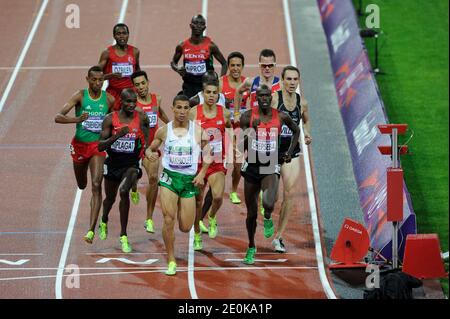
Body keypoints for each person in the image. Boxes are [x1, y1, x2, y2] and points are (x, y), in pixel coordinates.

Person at [144, 94, 212, 275]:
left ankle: (184, 233)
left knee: (185, 227)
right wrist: (150, 154)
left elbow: (209, 153)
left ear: (189, 110)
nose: (182, 112)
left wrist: (203, 173)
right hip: (169, 179)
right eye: (179, 108)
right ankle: (171, 260)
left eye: (185, 108)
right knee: (168, 219)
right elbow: (151, 148)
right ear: (173, 109)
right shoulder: (164, 131)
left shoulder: (198, 132)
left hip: (189, 181)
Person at [239, 84, 299, 264]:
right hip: (252, 166)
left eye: (267, 96)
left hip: (269, 165)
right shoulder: (248, 116)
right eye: (261, 96)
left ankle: (267, 217)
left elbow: (296, 131)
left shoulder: (281, 116)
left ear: (271, 97)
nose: (264, 99)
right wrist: (252, 132)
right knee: (250, 214)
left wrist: (289, 151)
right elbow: (241, 146)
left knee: (268, 202)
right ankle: (251, 246)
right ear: (256, 98)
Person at [55, 66, 114, 244]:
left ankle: (90, 230)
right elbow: (58, 117)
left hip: (97, 147)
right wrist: (77, 119)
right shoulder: (80, 96)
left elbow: (114, 121)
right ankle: (82, 180)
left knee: (96, 184)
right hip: (80, 146)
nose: (97, 83)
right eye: (94, 80)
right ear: (87, 79)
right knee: (82, 184)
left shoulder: (109, 99)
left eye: (100, 80)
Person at [97, 89, 149, 253]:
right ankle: (104, 220)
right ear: (121, 101)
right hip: (113, 163)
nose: (132, 105)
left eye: (134, 101)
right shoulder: (109, 119)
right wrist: (117, 136)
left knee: (123, 191)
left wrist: (145, 146)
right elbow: (100, 145)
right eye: (128, 101)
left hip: (131, 163)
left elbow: (147, 127)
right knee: (109, 199)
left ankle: (123, 235)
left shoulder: (140, 117)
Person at [270, 66, 312, 253]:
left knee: (290, 193)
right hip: (271, 152)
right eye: (289, 79)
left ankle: (279, 237)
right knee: (271, 197)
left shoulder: (302, 102)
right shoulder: (274, 99)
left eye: (295, 79)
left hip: (291, 152)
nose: (292, 83)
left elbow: (306, 119)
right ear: (282, 80)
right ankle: (267, 213)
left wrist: (307, 133)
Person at [188, 80, 232, 251]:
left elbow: (230, 129)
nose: (211, 96)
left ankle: (212, 216)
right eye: (208, 92)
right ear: (203, 93)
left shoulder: (225, 113)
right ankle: (197, 234)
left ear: (219, 94)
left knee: (218, 196)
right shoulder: (193, 113)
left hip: (217, 163)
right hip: (197, 163)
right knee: (198, 202)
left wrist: (231, 149)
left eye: (215, 93)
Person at [130, 70, 170, 233]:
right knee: (133, 177)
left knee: (153, 178)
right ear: (134, 88)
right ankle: (133, 187)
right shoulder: (132, 104)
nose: (141, 87)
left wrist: (175, 128)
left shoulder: (156, 99)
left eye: (143, 83)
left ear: (148, 82)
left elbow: (161, 115)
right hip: (133, 148)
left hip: (150, 148)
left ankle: (149, 219)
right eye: (137, 85)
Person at [170, 14, 227, 98]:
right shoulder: (182, 46)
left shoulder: (211, 46)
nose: (198, 26)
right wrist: (177, 69)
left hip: (205, 86)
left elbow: (224, 64)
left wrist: (220, 81)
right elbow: (173, 62)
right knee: (189, 109)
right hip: (189, 86)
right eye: (196, 23)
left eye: (201, 24)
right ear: (190, 25)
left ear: (204, 27)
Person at [219, 51, 249, 204]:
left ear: (243, 67)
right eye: (232, 65)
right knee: (220, 164)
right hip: (223, 129)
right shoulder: (220, 83)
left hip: (240, 129)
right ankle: (215, 190)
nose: (235, 68)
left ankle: (233, 191)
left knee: (238, 165)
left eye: (238, 65)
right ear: (228, 67)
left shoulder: (247, 84)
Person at [98, 23, 141, 111]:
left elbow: (137, 72)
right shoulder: (107, 53)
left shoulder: (135, 51)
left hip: (130, 94)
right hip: (113, 94)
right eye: (118, 34)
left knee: (131, 121)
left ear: (128, 35)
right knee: (113, 121)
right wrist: (111, 75)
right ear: (114, 36)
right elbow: (96, 76)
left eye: (124, 33)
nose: (122, 36)